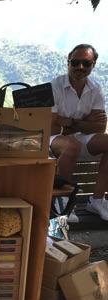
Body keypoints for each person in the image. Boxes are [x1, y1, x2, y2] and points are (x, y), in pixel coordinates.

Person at [50, 43, 108, 221]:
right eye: (75, 62)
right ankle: (63, 201)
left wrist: (71, 122)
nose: (80, 67)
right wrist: (85, 122)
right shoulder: (55, 86)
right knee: (72, 145)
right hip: (54, 138)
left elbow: (100, 127)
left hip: (78, 138)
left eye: (86, 63)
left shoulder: (95, 88)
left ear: (93, 65)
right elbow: (51, 124)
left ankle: (96, 201)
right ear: (68, 62)